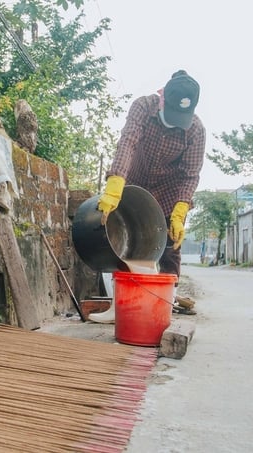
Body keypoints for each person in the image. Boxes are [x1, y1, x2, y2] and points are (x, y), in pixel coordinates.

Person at [89, 69, 206, 323]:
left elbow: (190, 175)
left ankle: (165, 304)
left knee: (169, 247)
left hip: (167, 193)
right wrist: (115, 183)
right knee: (122, 242)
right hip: (132, 186)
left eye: (181, 118)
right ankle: (120, 307)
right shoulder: (143, 107)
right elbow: (128, 142)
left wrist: (180, 211)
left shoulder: (195, 130)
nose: (176, 122)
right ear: (162, 99)